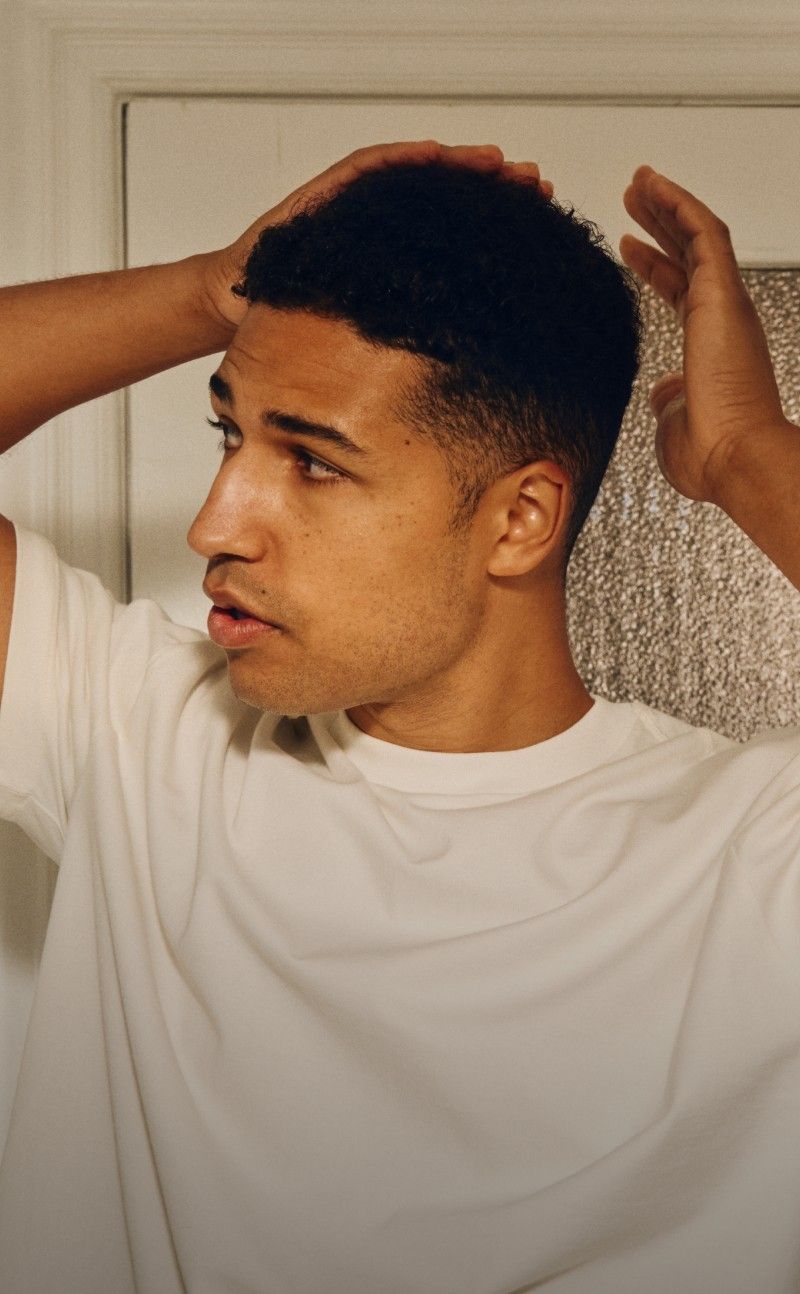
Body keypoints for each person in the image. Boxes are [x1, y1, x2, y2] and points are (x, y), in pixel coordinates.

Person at [0, 138, 797, 1293]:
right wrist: (200, 294)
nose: (217, 523)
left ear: (520, 520)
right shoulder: (140, 734)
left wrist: (744, 451)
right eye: (231, 434)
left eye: (311, 462)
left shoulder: (750, 846)